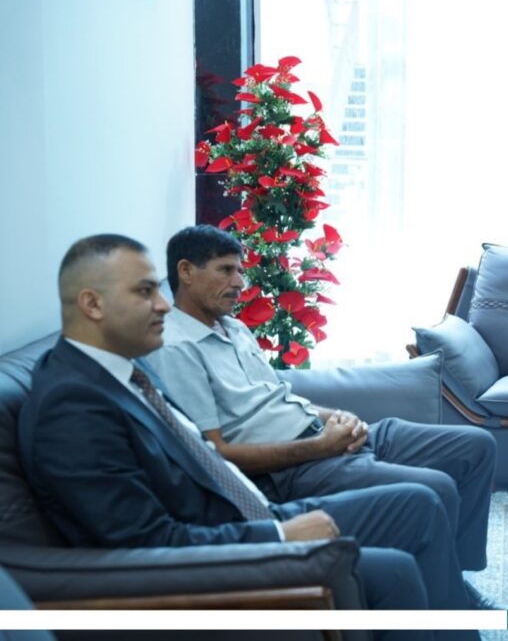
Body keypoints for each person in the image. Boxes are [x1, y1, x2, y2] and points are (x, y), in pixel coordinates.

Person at [18, 234, 478, 640]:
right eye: (145, 292)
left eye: (157, 289)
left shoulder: (121, 370)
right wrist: (277, 533)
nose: (162, 304)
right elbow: (144, 541)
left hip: (248, 511)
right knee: (396, 565)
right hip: (228, 541)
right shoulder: (71, 406)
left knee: (417, 504)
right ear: (92, 304)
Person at [143, 225, 499, 609]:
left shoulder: (233, 326)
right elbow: (217, 454)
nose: (239, 282)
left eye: (239, 270)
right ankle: (454, 606)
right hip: (293, 467)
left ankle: (454, 579)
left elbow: (279, 395)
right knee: (436, 488)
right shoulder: (175, 348)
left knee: (475, 446)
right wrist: (320, 447)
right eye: (225, 270)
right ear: (186, 271)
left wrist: (339, 417)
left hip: (320, 435)